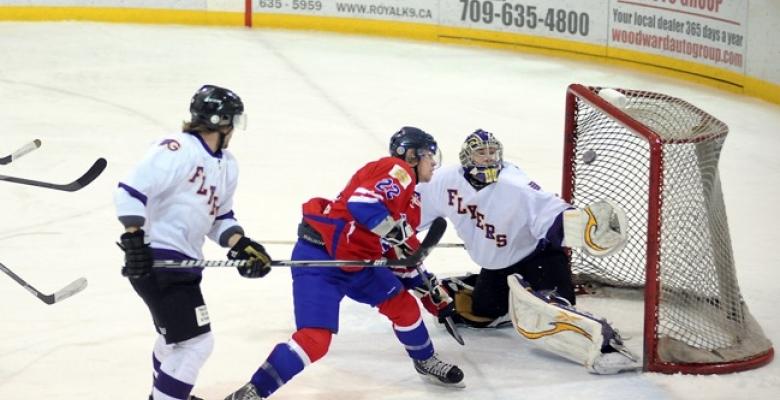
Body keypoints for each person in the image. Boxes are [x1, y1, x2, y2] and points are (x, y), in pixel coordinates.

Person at [224, 127, 464, 400]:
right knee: (315, 340)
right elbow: (362, 204)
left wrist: (426, 288)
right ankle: (253, 391)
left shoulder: (413, 198)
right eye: (429, 155)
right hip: (320, 258)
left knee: (404, 307)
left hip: (358, 261)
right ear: (411, 155)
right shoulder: (398, 170)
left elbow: (399, 254)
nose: (434, 162)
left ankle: (425, 360)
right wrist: (392, 230)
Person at [416, 129, 637, 374]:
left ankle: (605, 345)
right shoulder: (446, 180)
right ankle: (476, 286)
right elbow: (414, 207)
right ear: (468, 157)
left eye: (492, 152)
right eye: (481, 153)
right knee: (479, 313)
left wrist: (582, 225)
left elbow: (549, 210)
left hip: (539, 258)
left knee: (553, 311)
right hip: (499, 265)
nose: (489, 158)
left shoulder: (515, 184)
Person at [114, 85, 273, 400]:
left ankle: (166, 394)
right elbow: (129, 192)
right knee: (197, 343)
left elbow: (219, 218)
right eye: (232, 121)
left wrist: (241, 245)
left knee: (174, 341)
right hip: (158, 262)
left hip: (183, 266)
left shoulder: (227, 164)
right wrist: (134, 242)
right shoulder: (177, 149)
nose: (234, 129)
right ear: (220, 120)